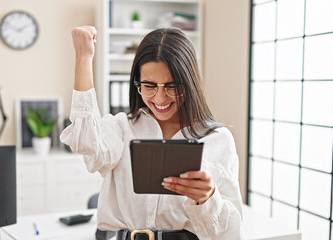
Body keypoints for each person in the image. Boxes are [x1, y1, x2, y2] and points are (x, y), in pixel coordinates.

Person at [61, 26, 242, 240]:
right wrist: (84, 57)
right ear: (137, 83)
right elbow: (85, 141)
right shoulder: (121, 128)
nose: (160, 97)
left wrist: (208, 198)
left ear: (189, 82)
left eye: (171, 85)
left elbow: (230, 235)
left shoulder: (217, 139)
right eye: (149, 85)